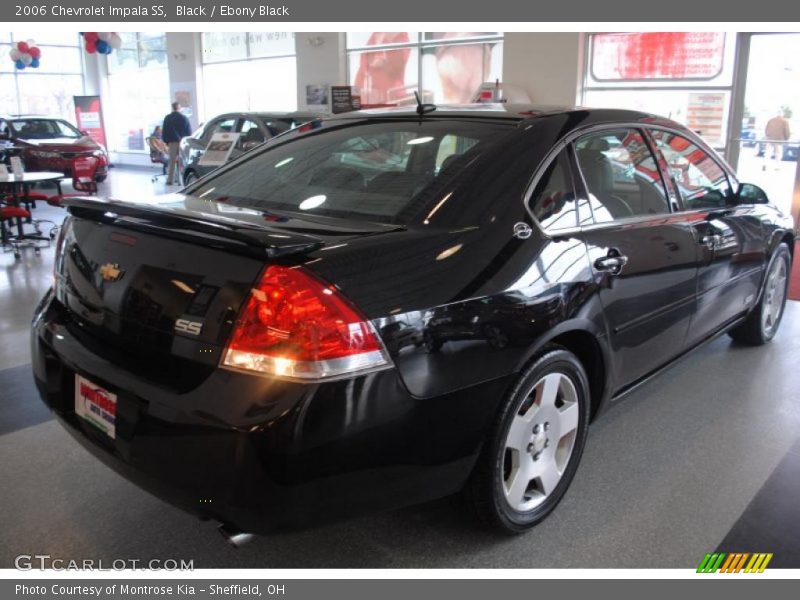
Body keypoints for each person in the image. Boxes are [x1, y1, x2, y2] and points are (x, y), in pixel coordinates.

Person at [161, 102, 192, 185]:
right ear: (179, 108)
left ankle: (170, 180)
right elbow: (189, 132)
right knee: (182, 162)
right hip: (182, 143)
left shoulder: (168, 118)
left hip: (172, 142)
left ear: (172, 108)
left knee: (172, 162)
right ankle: (180, 181)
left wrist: (166, 141)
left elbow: (164, 131)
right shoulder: (184, 118)